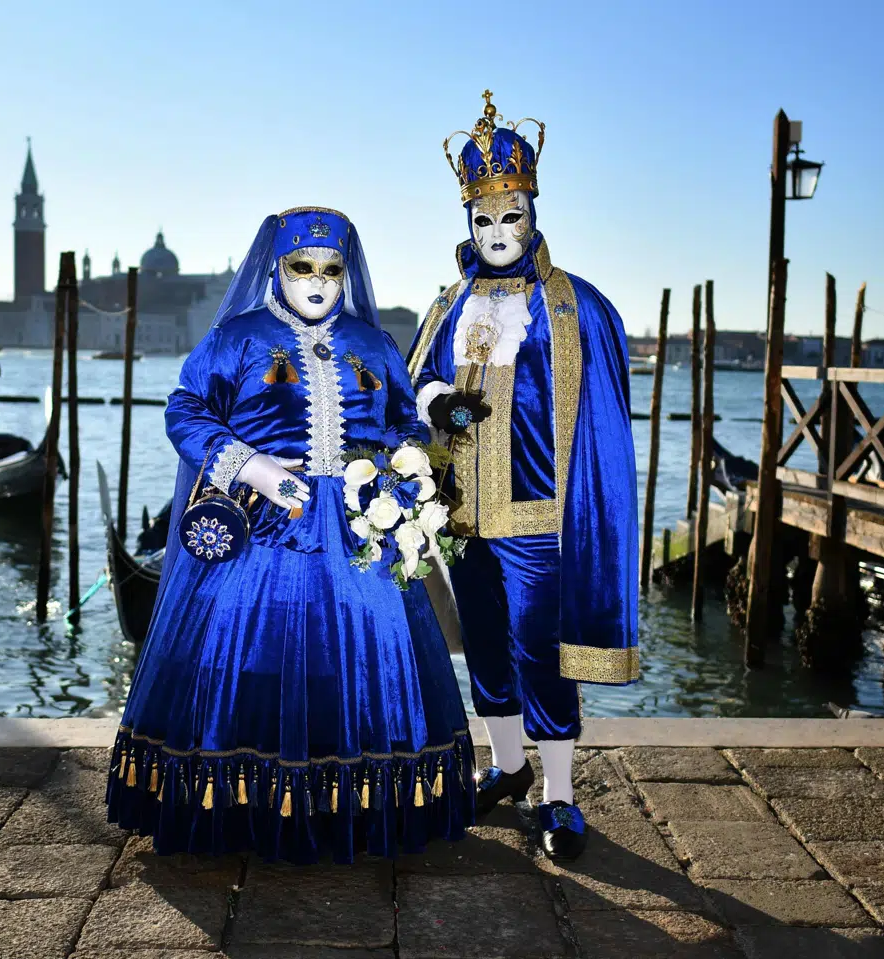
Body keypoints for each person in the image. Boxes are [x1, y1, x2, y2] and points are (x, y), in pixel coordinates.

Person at [106, 207, 474, 864]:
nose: (318, 281)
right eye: (302, 267)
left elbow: (403, 422)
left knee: (362, 656)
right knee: (258, 651)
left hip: (361, 529)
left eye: (331, 269)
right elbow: (186, 410)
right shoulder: (238, 339)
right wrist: (251, 465)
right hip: (262, 529)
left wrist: (398, 470)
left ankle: (355, 806)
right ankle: (245, 806)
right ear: (276, 267)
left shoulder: (373, 343)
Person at [408, 92, 639, 861]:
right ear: (468, 221)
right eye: (484, 219)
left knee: (542, 648)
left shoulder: (575, 305)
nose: (497, 232)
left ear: (532, 211)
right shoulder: (449, 301)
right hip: (464, 515)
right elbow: (419, 382)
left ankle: (561, 792)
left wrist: (592, 513)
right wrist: (439, 400)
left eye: (510, 216)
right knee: (482, 643)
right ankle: (506, 767)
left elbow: (603, 421)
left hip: (540, 514)